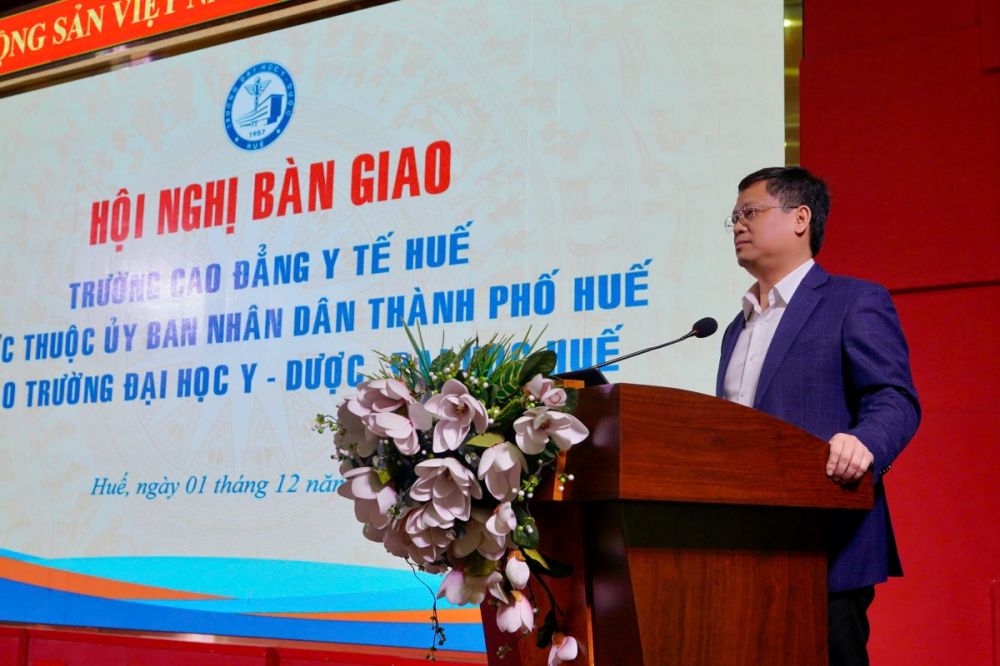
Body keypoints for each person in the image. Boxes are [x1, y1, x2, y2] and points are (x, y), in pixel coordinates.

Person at [716, 166, 920, 666]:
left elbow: (894, 397)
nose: (738, 225)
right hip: (743, 547)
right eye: (734, 217)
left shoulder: (853, 301)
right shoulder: (733, 329)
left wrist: (864, 444)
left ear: (800, 218)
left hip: (826, 542)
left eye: (750, 212)